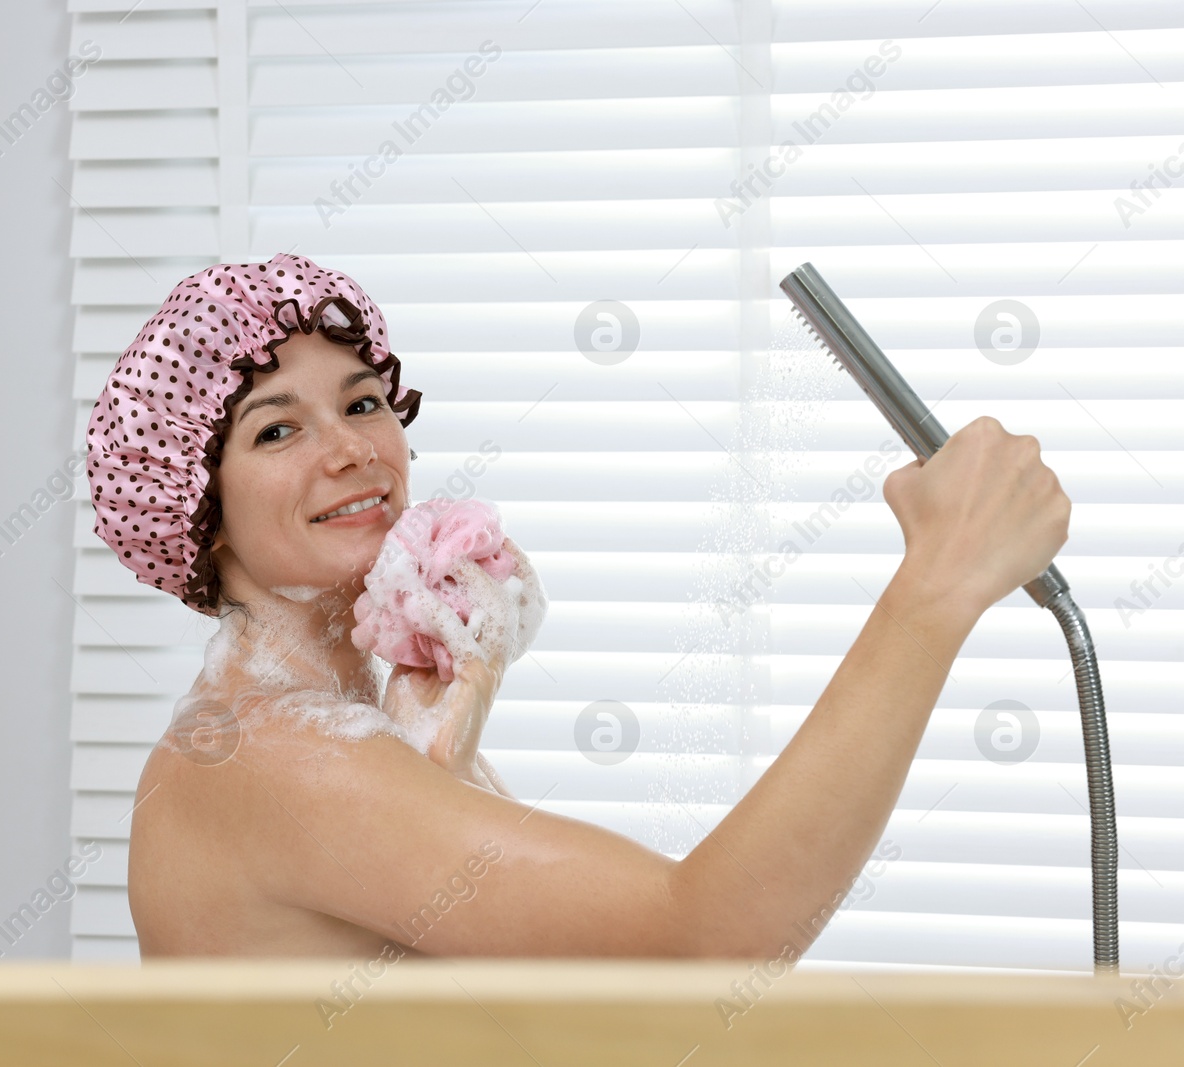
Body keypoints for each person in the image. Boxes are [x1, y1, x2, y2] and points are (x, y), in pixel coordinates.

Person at [85, 253, 1071, 958]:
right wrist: (932, 589)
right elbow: (698, 940)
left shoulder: (334, 734)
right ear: (197, 513)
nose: (349, 449)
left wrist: (448, 753)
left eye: (361, 401)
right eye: (274, 431)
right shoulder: (267, 756)